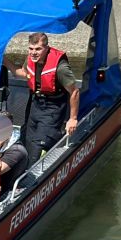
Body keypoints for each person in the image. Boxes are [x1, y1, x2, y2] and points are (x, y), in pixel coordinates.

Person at [15, 32, 80, 164]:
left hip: (53, 106)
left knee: (40, 143)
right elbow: (23, 73)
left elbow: (74, 91)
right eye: (31, 49)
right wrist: (4, 61)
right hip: (35, 103)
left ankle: (34, 173)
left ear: (46, 48)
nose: (33, 53)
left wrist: (73, 119)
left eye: (38, 49)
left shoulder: (61, 68)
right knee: (27, 138)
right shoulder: (30, 59)